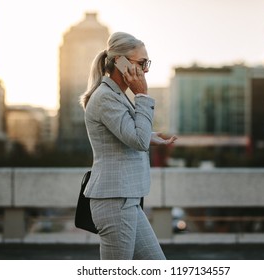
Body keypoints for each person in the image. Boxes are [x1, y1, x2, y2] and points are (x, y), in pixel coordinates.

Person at [80, 32, 176, 260]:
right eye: (142, 63)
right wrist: (142, 95)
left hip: (127, 199)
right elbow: (138, 141)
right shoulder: (106, 97)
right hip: (115, 201)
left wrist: (150, 135)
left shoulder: (117, 95)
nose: (146, 70)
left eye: (147, 63)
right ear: (119, 62)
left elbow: (127, 133)